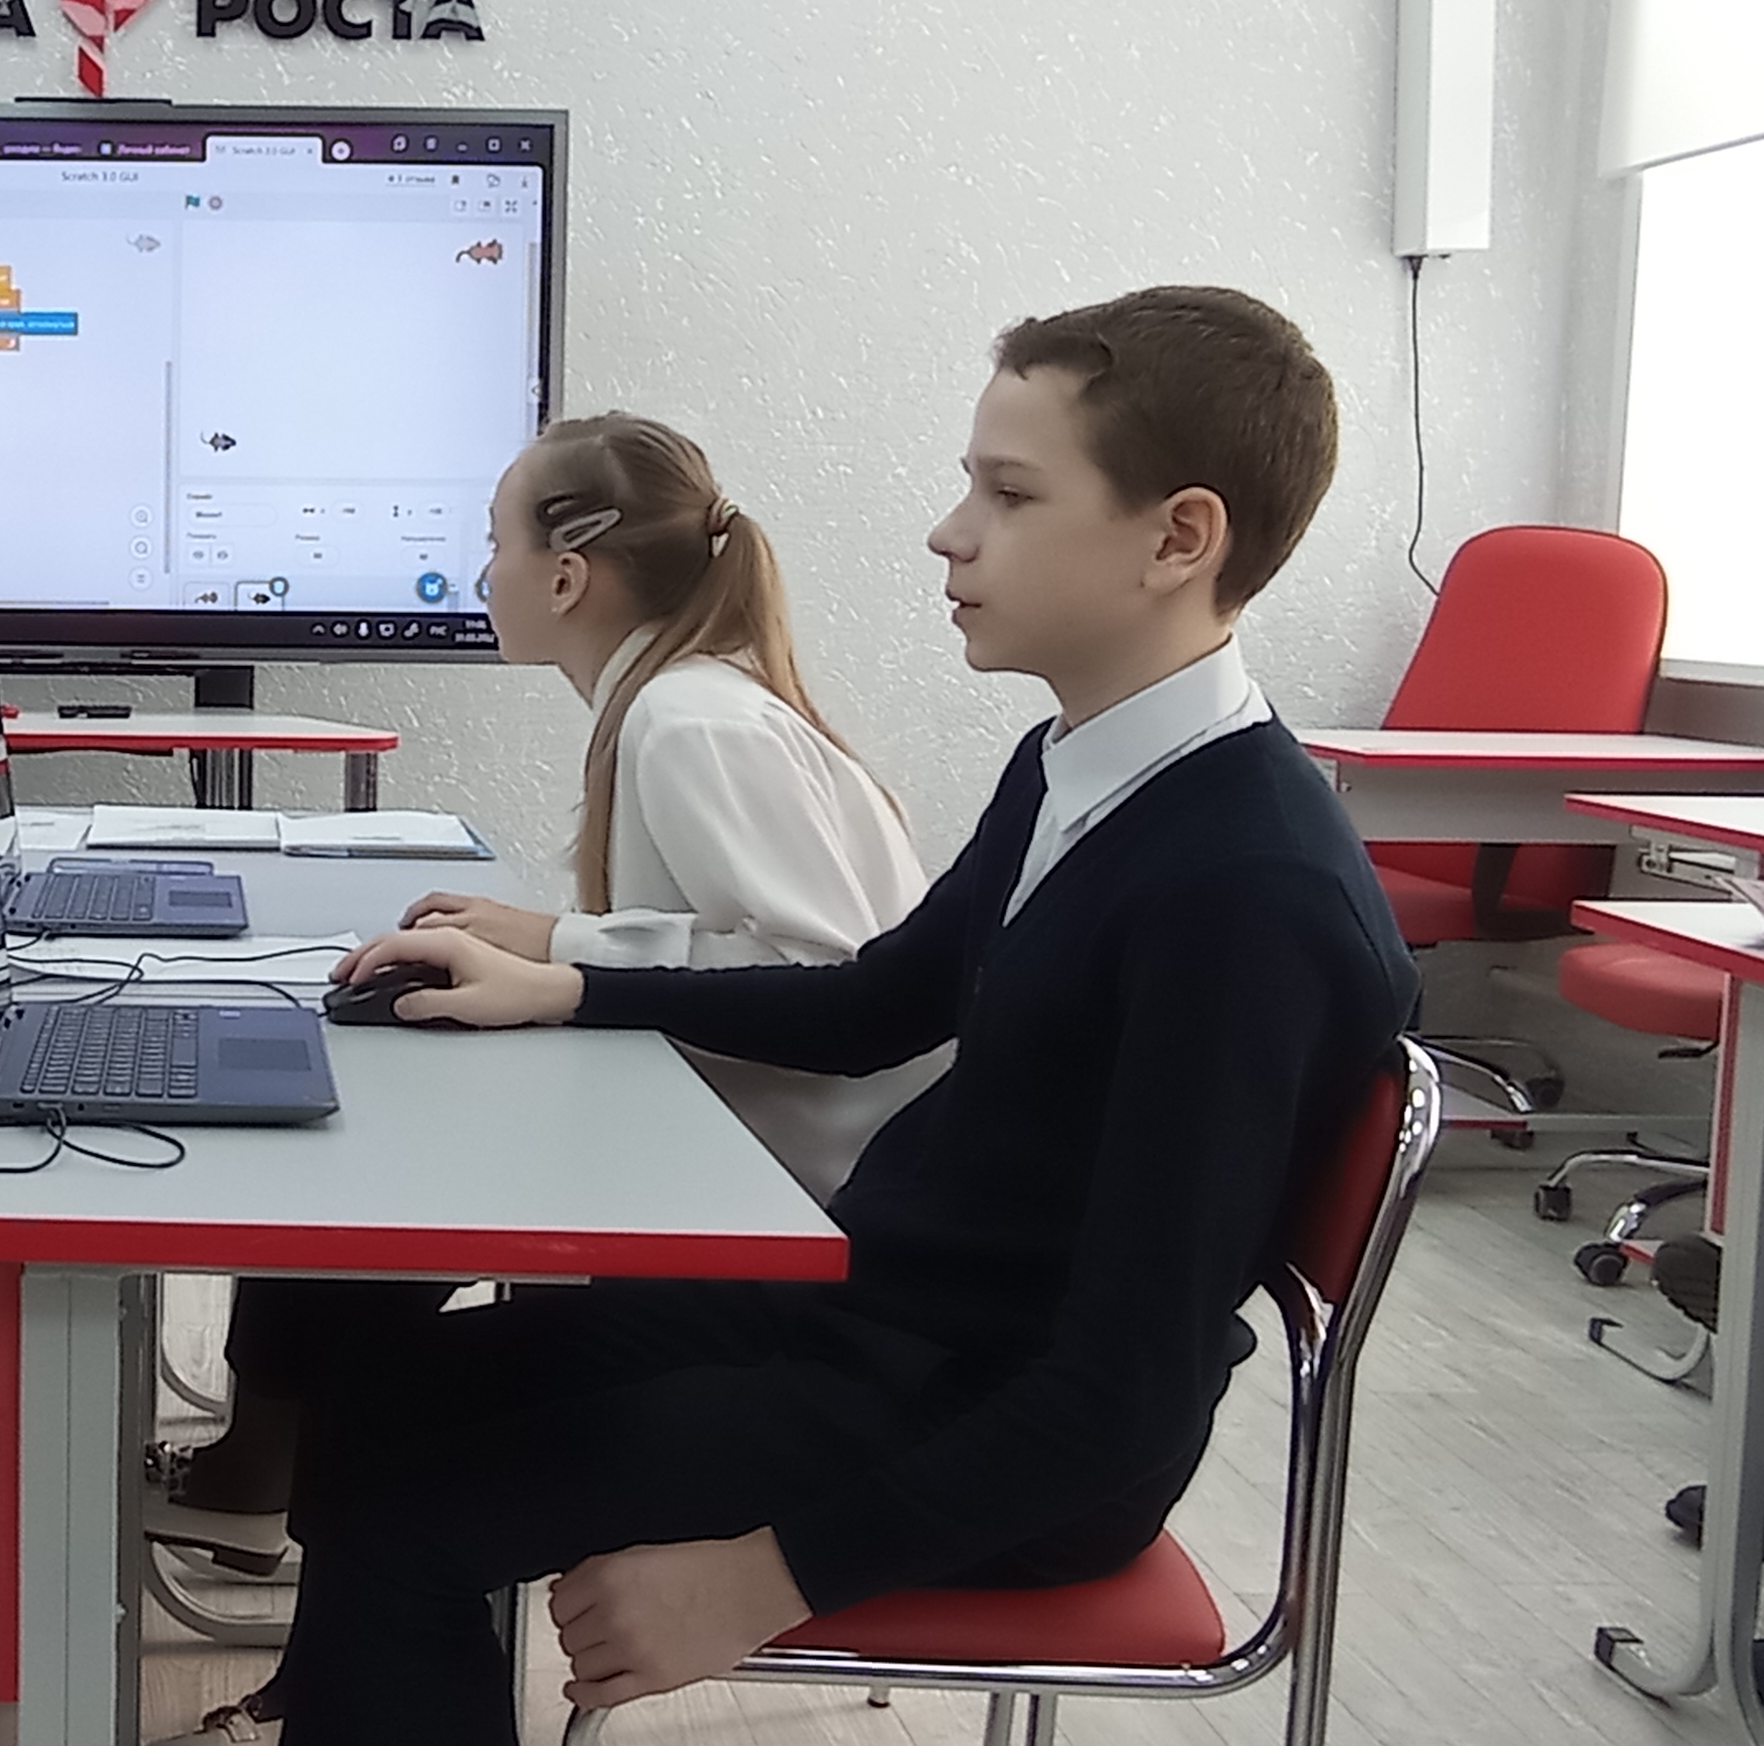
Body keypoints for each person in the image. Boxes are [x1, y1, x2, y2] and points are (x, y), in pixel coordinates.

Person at [217, 286, 1418, 1744]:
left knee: (409, 1509)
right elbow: (874, 999)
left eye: (1009, 493)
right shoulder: (1081, 765)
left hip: (1000, 1429)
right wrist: (569, 985)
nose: (949, 532)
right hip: (884, 1319)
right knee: (369, 1393)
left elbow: (1121, 1395)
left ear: (1180, 538)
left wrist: (768, 1579)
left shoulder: (1246, 894)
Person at [149, 413, 942, 1540]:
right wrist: (548, 935)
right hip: (742, 1157)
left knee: (373, 1182)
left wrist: (567, 961)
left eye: (496, 542)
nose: (481, 574)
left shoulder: (690, 721)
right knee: (377, 1171)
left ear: (566, 576)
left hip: (798, 1203)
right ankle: (285, 1472)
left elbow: (826, 976)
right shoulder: (675, 698)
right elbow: (726, 936)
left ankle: (303, 1480)